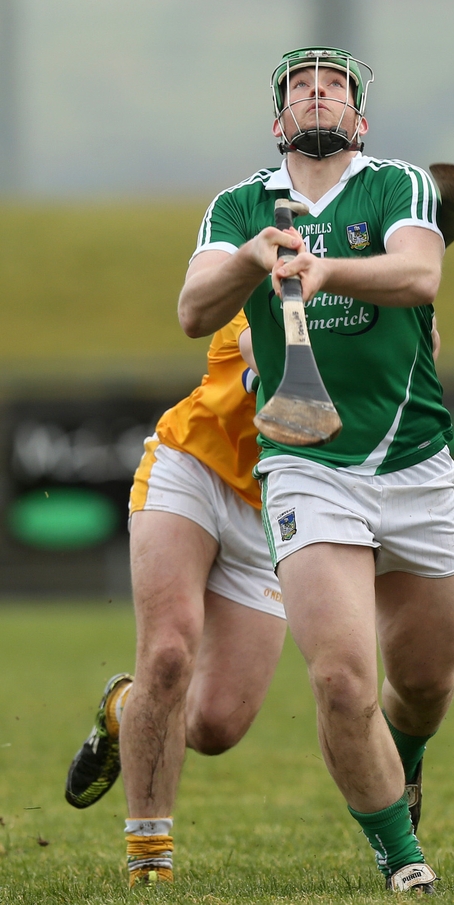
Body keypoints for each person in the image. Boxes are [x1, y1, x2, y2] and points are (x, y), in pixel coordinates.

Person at [178, 46, 454, 894]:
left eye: (335, 87)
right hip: (305, 459)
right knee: (344, 677)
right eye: (300, 87)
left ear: (358, 120)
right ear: (278, 123)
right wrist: (253, 258)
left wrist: (324, 266)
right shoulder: (238, 206)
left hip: (413, 458)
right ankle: (402, 859)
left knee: (422, 682)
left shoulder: (398, 186)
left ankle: (404, 760)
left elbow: (420, 271)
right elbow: (194, 309)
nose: (317, 93)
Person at [65, 312, 287, 887]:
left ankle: (124, 710)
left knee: (216, 726)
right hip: (190, 468)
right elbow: (270, 353)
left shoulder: (363, 291)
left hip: (268, 509)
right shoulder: (258, 289)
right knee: (167, 654)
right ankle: (149, 860)